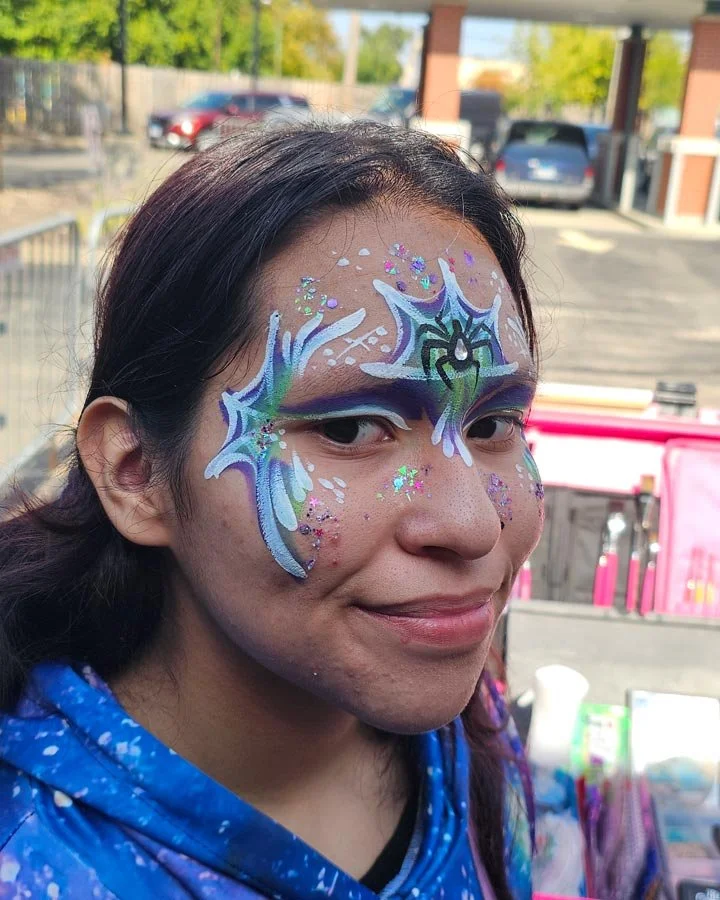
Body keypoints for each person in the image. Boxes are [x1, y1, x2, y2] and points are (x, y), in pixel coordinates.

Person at [0, 123, 543, 899]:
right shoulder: (35, 862)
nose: (473, 525)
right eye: (350, 429)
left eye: (493, 424)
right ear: (135, 473)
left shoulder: (465, 715)